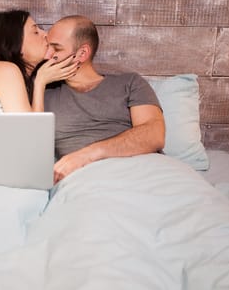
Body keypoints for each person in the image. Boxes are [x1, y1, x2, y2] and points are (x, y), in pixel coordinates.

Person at [44, 15, 165, 183]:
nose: (47, 55)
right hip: (89, 180)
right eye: (47, 47)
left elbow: (154, 134)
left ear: (82, 53)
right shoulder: (45, 94)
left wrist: (86, 155)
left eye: (56, 49)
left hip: (149, 171)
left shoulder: (129, 83)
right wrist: (39, 83)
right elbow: (30, 146)